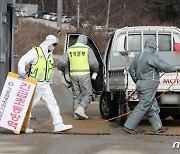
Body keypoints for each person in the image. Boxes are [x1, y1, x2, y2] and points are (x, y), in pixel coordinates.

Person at [122, 38, 180, 134]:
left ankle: (157, 127)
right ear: (153, 46)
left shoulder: (137, 57)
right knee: (143, 106)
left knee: (152, 106)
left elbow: (131, 71)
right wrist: (176, 68)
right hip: (149, 84)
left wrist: (138, 81)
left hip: (140, 83)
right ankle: (128, 126)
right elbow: (165, 67)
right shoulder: (152, 57)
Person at [18, 34, 73, 133]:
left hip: (45, 84)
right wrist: (21, 72)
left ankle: (58, 124)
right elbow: (22, 61)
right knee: (29, 105)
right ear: (48, 43)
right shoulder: (36, 51)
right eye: (53, 44)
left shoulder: (49, 55)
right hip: (34, 84)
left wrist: (50, 82)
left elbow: (49, 70)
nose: (54, 47)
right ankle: (23, 125)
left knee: (53, 103)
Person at [58, 35, 99, 120]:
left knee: (76, 95)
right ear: (85, 41)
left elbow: (62, 62)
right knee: (88, 93)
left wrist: (62, 69)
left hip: (73, 75)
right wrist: (96, 71)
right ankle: (81, 109)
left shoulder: (70, 49)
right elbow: (93, 63)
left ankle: (76, 113)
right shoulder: (87, 49)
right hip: (84, 74)